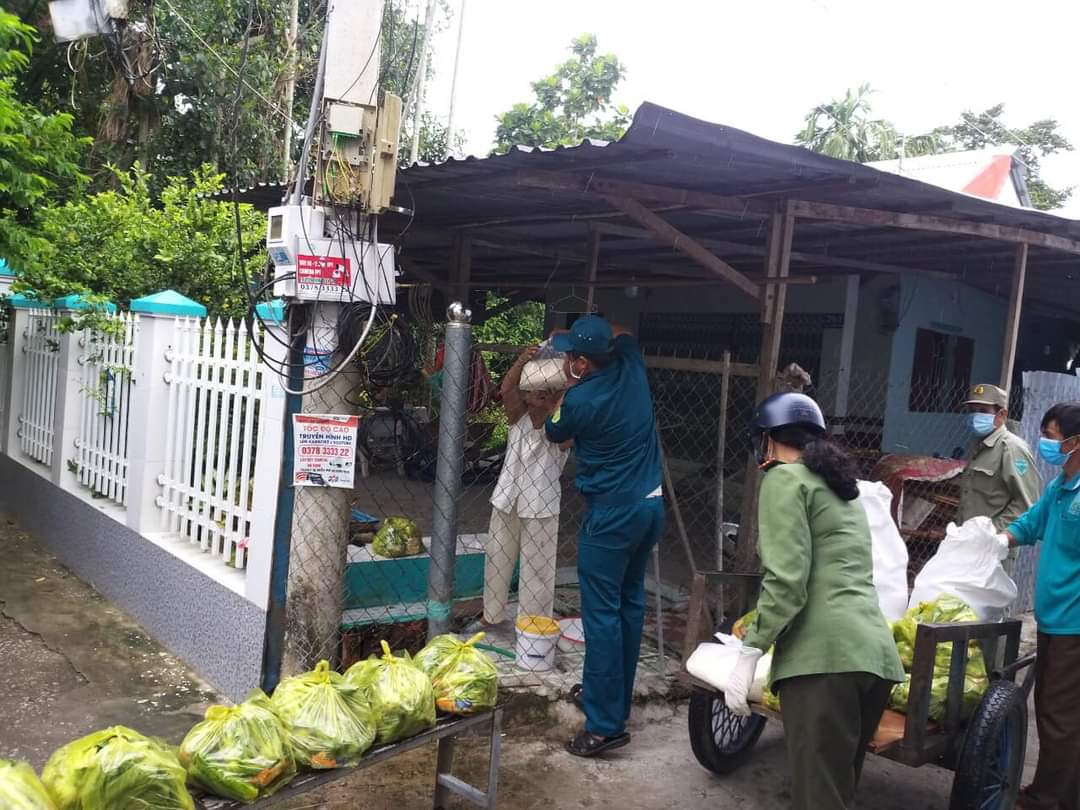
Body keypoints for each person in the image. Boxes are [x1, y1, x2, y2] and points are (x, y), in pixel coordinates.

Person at [724, 392, 905, 810]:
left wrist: (750, 650)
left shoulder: (784, 479)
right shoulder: (842, 489)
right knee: (834, 792)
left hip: (825, 663)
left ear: (767, 441)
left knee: (818, 800)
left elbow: (788, 582)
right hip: (872, 658)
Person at [543, 315, 664, 758]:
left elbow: (555, 433)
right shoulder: (632, 366)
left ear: (578, 361)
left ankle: (605, 725)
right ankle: (615, 697)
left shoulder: (580, 400)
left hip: (611, 517)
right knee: (629, 604)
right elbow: (623, 331)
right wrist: (575, 338)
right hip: (650, 507)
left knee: (602, 616)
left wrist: (563, 383)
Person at [1000, 401, 1080, 810]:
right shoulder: (1060, 487)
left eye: (1050, 436)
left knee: (1058, 715)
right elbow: (1031, 524)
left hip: (1074, 623)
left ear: (1075, 441)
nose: (1044, 442)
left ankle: (1049, 799)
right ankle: (1064, 793)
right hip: (1054, 618)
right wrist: (997, 539)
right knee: (1055, 709)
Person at [476, 346, 570, 632]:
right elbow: (506, 389)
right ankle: (491, 615)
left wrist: (554, 401)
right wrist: (521, 360)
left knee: (538, 568)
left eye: (542, 394)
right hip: (508, 497)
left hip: (540, 505)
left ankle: (532, 623)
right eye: (531, 393)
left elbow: (564, 428)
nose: (534, 397)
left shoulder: (561, 425)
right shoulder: (518, 419)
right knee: (497, 558)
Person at [957, 383, 1041, 531]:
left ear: (1001, 415)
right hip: (969, 541)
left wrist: (991, 532)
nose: (976, 416)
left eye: (983, 411)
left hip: (993, 545)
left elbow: (1027, 504)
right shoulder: (979, 446)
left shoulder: (1011, 449)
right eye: (972, 410)